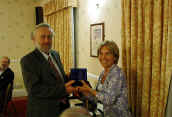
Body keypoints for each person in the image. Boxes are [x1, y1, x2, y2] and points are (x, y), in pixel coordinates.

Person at [20, 23, 76, 117]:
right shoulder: (28, 60)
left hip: (62, 108)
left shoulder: (55, 54)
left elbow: (56, 78)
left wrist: (67, 76)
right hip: (43, 111)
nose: (47, 40)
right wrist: (64, 89)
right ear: (34, 40)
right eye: (43, 37)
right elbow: (35, 89)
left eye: (49, 37)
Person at [78, 41, 132, 117]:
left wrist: (89, 90)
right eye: (101, 53)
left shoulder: (117, 73)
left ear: (115, 57)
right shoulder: (103, 73)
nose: (103, 57)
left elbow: (109, 100)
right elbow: (98, 97)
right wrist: (83, 91)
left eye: (107, 54)